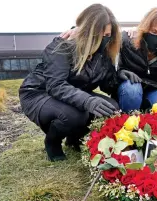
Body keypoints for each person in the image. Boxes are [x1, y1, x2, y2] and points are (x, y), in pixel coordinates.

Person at [19, 4, 121, 161]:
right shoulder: (62, 47)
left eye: (107, 35)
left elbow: (107, 85)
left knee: (111, 107)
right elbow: (56, 85)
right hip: (39, 92)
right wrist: (88, 100)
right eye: (99, 35)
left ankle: (74, 138)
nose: (104, 40)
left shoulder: (102, 54)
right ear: (88, 31)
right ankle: (52, 142)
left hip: (71, 92)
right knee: (75, 115)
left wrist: (121, 74)